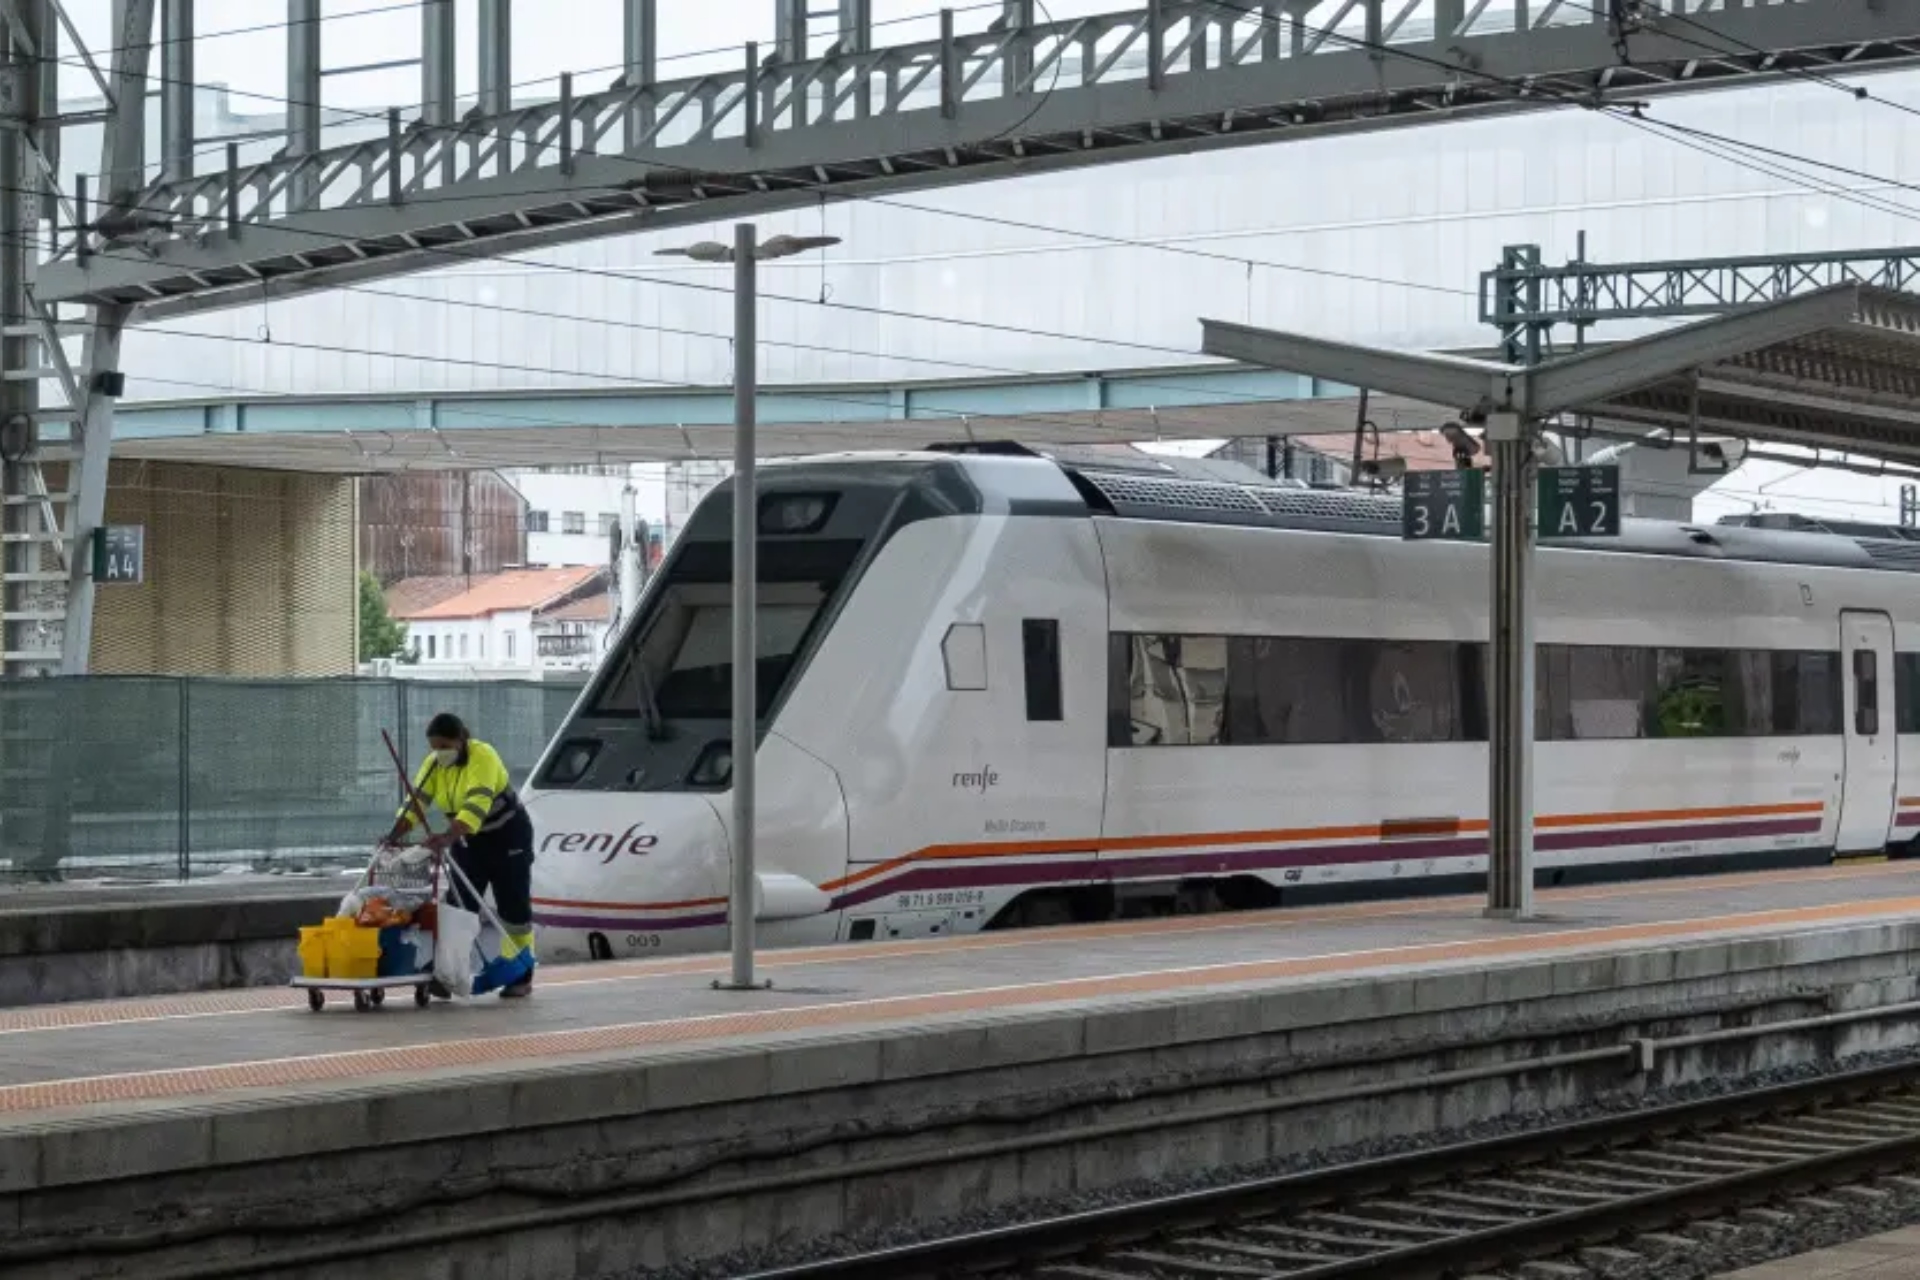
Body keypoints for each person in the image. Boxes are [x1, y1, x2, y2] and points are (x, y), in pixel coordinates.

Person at [384, 712, 536, 999]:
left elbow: (475, 806)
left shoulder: (484, 756)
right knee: (457, 907)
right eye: (434, 747)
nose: (439, 753)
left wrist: (446, 838)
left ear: (461, 739)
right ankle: (448, 973)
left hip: (507, 837)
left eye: (444, 746)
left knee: (513, 910)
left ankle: (520, 973)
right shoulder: (433, 765)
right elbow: (417, 803)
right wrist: (395, 833)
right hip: (468, 840)